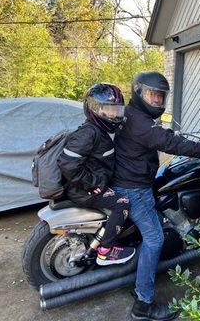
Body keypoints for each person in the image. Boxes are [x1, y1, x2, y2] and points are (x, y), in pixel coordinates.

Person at [112, 71, 200, 321]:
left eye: (159, 97)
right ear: (138, 92)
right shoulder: (142, 124)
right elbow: (172, 144)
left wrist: (168, 134)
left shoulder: (132, 114)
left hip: (127, 179)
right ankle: (143, 304)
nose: (156, 101)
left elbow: (162, 137)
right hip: (134, 188)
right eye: (151, 96)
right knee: (154, 239)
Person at [58, 83, 135, 266]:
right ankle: (105, 251)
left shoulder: (100, 130)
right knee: (122, 203)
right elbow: (67, 164)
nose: (113, 114)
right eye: (108, 110)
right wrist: (92, 184)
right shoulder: (89, 133)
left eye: (116, 110)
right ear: (96, 110)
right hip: (82, 190)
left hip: (87, 185)